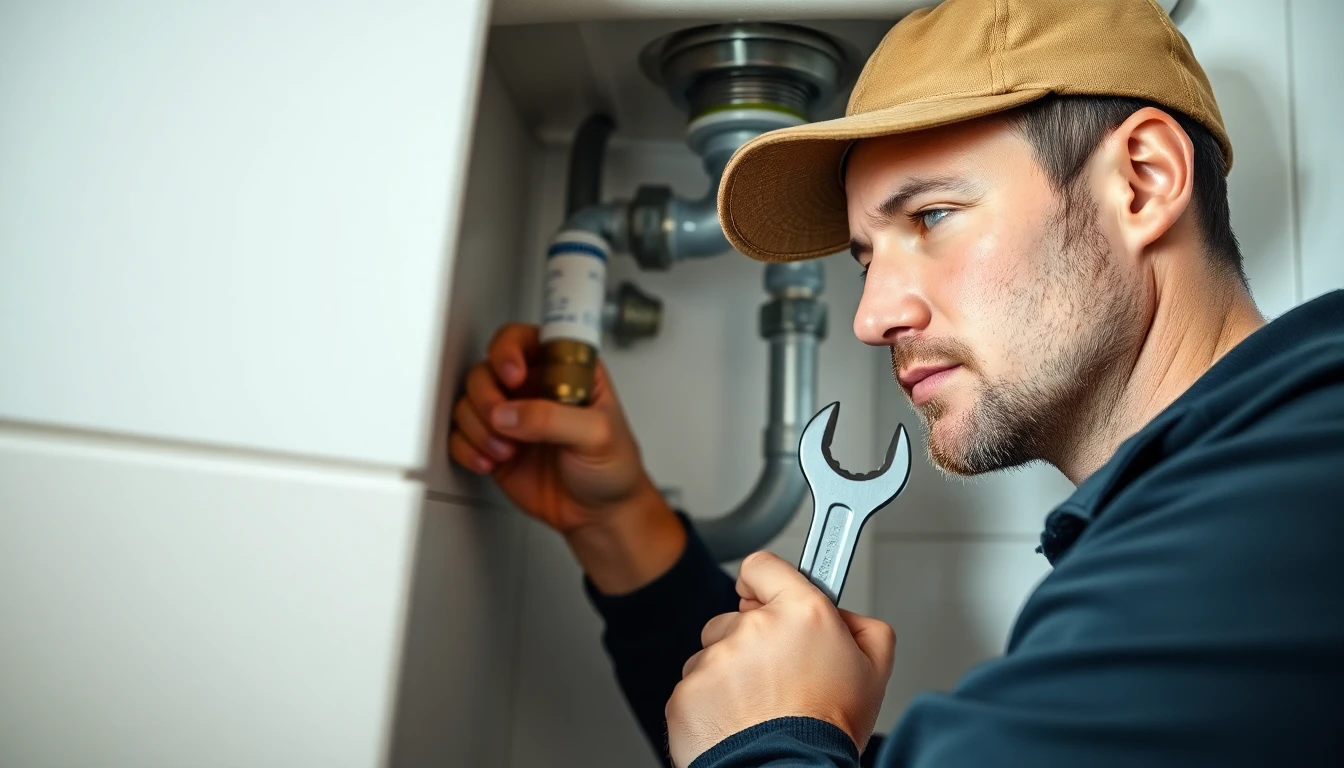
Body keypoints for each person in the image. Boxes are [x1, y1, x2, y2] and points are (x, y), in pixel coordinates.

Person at [449, 0, 1344, 765]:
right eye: (866, 254)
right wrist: (620, 525)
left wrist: (774, 739)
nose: (871, 317)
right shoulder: (1231, 502)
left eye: (934, 215)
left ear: (1143, 182)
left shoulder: (1295, 489)